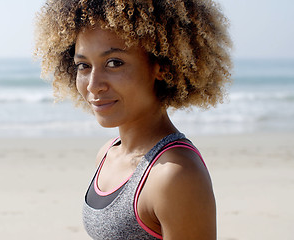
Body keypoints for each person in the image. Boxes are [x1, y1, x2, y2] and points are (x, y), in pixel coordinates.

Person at [34, 0, 232, 239]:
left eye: (114, 63)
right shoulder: (107, 153)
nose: (94, 85)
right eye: (83, 65)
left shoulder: (175, 174)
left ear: (161, 66)